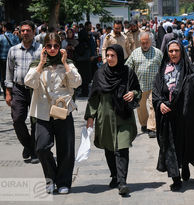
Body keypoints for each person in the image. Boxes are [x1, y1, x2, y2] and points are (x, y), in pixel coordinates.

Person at [153, 40, 194, 191]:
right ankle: (176, 178)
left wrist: (188, 90)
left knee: (186, 143)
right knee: (170, 146)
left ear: (181, 51)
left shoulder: (190, 69)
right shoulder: (162, 69)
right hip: (167, 116)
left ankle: (186, 164)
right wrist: (160, 103)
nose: (174, 54)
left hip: (185, 116)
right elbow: (156, 90)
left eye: (176, 51)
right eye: (171, 51)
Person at [24, 32, 82, 194]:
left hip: (63, 111)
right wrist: (41, 64)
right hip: (42, 113)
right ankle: (50, 178)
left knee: (66, 149)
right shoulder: (37, 64)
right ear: (44, 48)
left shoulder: (67, 64)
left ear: (60, 46)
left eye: (56, 46)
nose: (52, 49)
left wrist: (65, 64)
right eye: (49, 46)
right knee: (41, 147)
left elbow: (77, 82)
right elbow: (28, 82)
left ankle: (63, 182)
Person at [85, 44, 141, 196]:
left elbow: (138, 90)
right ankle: (115, 176)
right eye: (107, 55)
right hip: (105, 116)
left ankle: (122, 182)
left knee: (122, 148)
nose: (109, 58)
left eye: (113, 55)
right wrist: (90, 117)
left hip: (124, 117)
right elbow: (94, 98)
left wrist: (133, 93)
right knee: (109, 149)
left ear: (119, 56)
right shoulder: (100, 74)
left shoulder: (128, 73)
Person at [5, 20, 42, 164]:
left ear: (34, 32)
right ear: (19, 33)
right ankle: (28, 145)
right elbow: (8, 72)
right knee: (17, 119)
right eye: (23, 31)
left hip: (36, 90)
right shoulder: (13, 50)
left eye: (28, 30)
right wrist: (8, 93)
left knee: (35, 122)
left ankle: (33, 151)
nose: (25, 33)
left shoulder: (41, 50)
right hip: (18, 89)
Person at [125, 32, 163, 138]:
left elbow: (164, 67)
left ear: (150, 42)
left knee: (153, 106)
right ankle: (144, 124)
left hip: (154, 85)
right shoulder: (135, 53)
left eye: (146, 42)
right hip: (139, 86)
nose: (145, 45)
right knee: (140, 107)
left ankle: (152, 128)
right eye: (142, 43)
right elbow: (127, 67)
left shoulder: (158, 53)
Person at [0, 22, 19, 98]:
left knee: (3, 76)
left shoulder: (1, 37)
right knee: (12, 75)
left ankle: (6, 93)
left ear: (4, 28)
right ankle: (12, 92)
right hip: (13, 59)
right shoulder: (15, 37)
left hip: (2, 59)